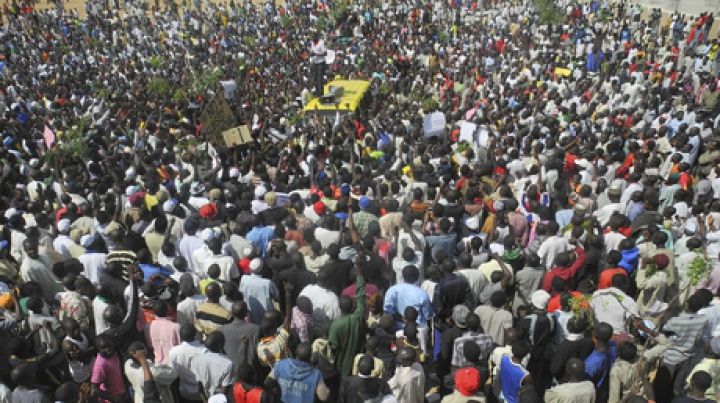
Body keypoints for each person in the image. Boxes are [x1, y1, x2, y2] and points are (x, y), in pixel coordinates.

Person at [329, 252, 367, 378]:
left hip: (341, 367)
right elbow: (361, 294)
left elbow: (332, 348)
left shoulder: (335, 326)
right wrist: (360, 271)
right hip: (357, 364)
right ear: (353, 306)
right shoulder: (358, 317)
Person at [239, 258, 279, 324]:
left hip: (250, 314)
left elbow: (240, 292)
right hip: (266, 317)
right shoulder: (267, 283)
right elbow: (276, 296)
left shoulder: (244, 279)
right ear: (262, 269)